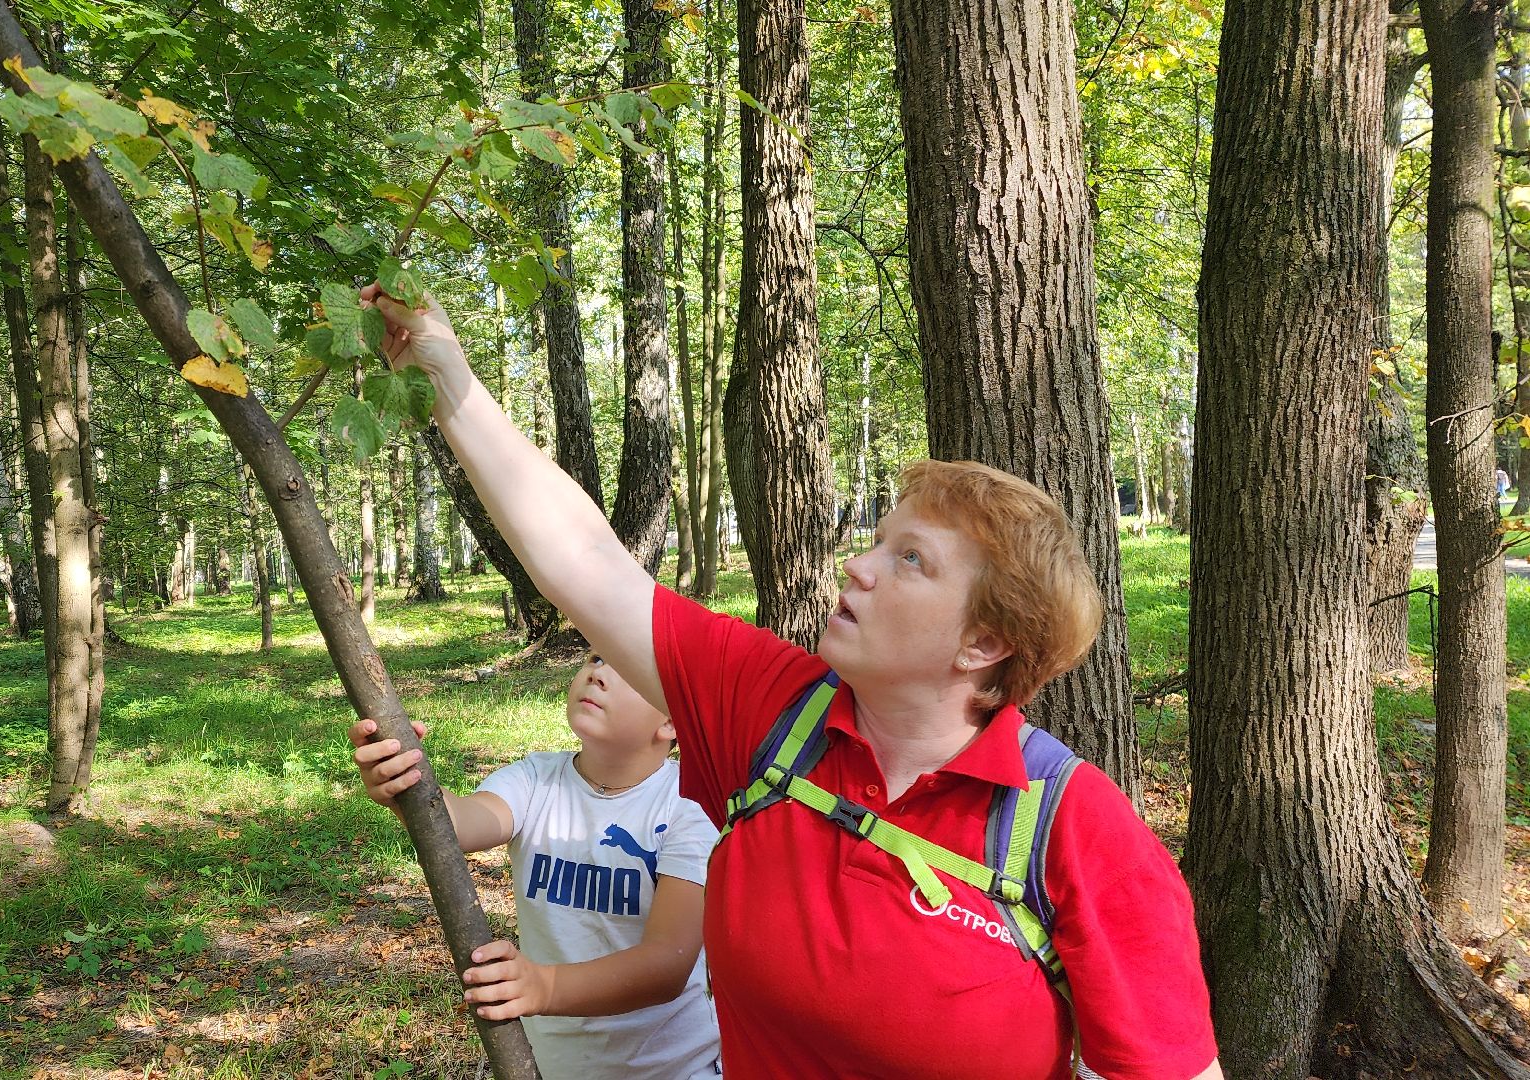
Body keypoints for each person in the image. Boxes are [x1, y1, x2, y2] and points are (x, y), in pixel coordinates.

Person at [358, 282, 1224, 1080]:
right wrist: (451, 381)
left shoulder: (1076, 831)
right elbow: (588, 568)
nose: (859, 568)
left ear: (982, 643)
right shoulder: (774, 714)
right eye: (878, 541)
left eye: (909, 561)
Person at [349, 651, 721, 1080]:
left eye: (628, 671)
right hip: (555, 1064)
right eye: (596, 658)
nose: (598, 674)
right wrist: (406, 782)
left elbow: (666, 966)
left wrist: (545, 987)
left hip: (672, 1068)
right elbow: (458, 826)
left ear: (671, 723)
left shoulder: (689, 806)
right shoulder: (535, 779)